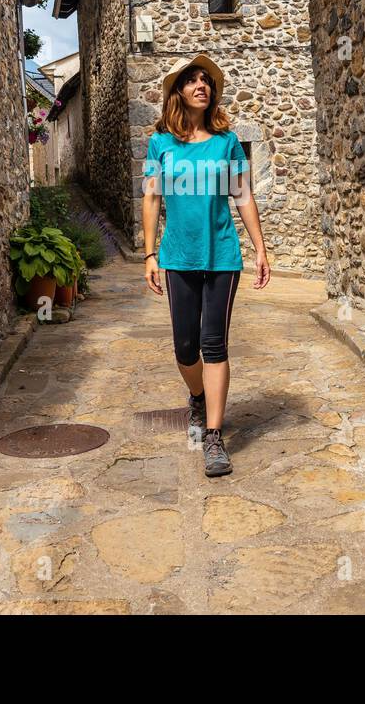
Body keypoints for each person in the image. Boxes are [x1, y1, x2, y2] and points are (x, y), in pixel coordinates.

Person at [141, 54, 271, 478]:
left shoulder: (227, 141)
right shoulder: (159, 144)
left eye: (206, 81)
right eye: (191, 80)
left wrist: (260, 249)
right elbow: (151, 198)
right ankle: (196, 396)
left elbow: (243, 196)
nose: (202, 85)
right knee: (184, 347)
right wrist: (149, 253)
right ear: (178, 91)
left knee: (214, 345)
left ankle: (214, 437)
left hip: (222, 255)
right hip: (177, 255)